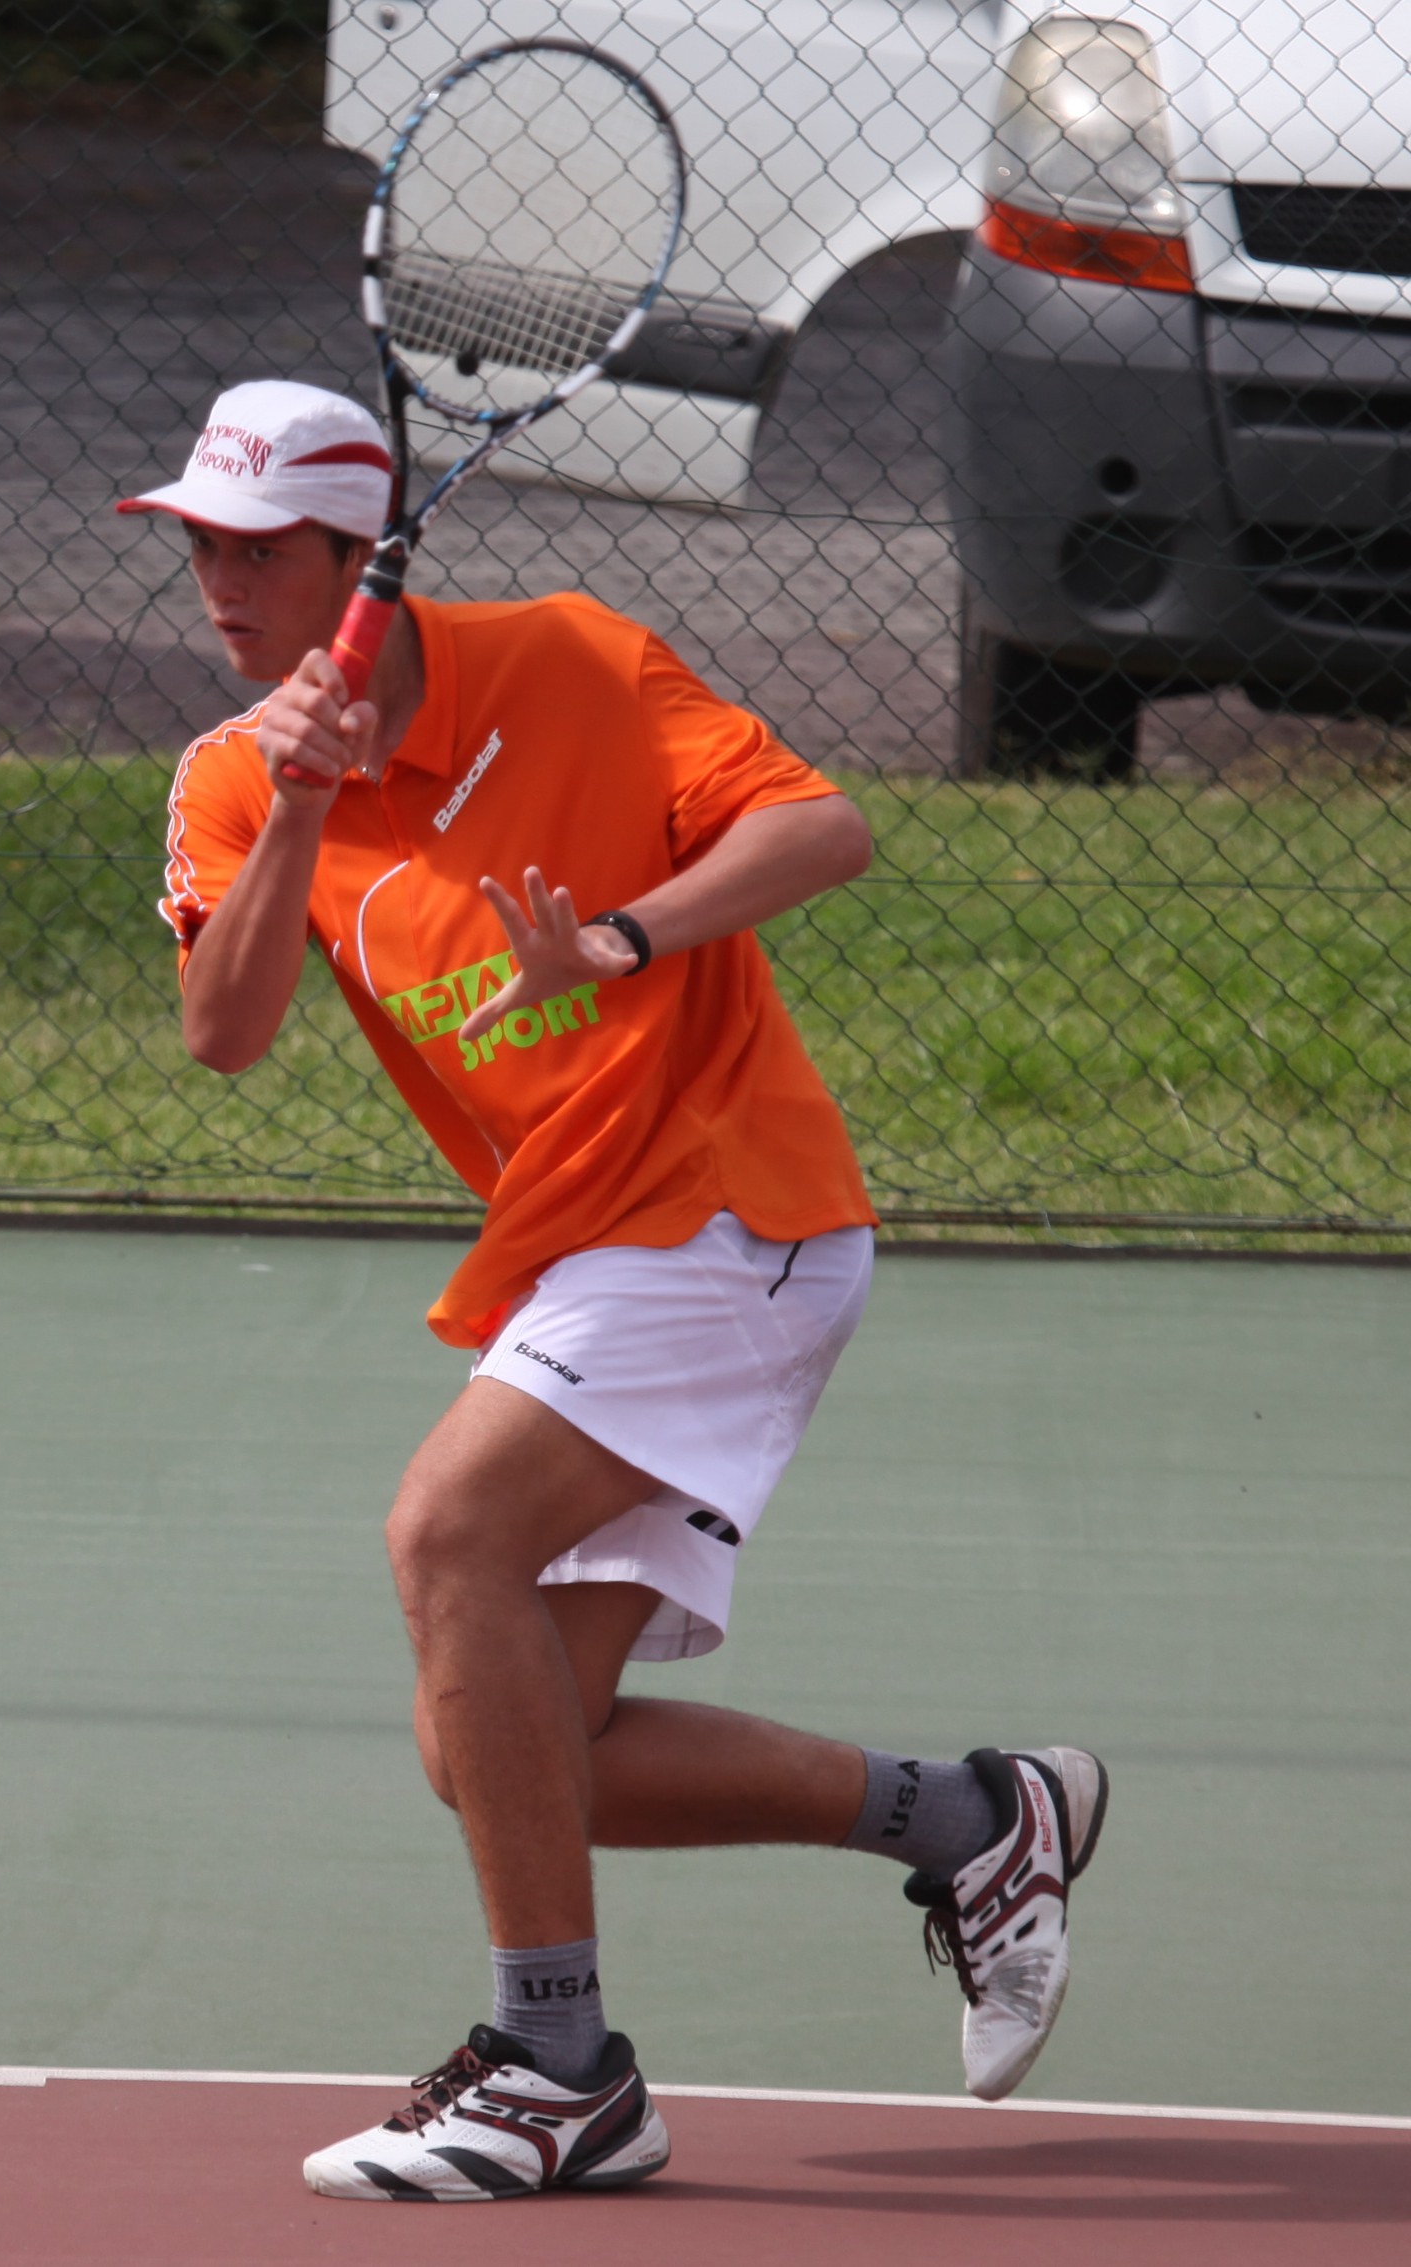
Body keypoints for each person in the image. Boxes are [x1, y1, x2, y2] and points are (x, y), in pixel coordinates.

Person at [125, 380, 1111, 2203]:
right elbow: (224, 1036)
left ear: (365, 568)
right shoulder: (231, 774)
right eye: (200, 545)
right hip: (578, 1247)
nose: (220, 584)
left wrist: (624, 933)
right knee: (500, 1751)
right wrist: (300, 804)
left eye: (261, 552)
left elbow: (822, 831)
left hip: (735, 1203)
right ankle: (975, 1818)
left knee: (446, 1539)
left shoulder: (571, 660)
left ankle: (557, 2063)